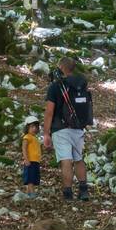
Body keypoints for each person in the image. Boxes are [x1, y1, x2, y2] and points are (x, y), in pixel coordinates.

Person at [43, 57, 93, 201]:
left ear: (61, 67)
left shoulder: (55, 86)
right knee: (78, 158)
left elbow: (49, 112)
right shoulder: (81, 84)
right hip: (78, 126)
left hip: (61, 128)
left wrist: (46, 133)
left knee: (66, 160)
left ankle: (68, 193)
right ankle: (83, 190)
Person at [19, 120, 42, 197]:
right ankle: (32, 193)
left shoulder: (35, 138)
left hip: (36, 161)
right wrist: (26, 159)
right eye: (32, 127)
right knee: (30, 178)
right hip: (30, 160)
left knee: (34, 177)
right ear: (27, 127)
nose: (34, 128)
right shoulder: (27, 137)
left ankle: (28, 193)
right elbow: (24, 148)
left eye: (36, 127)